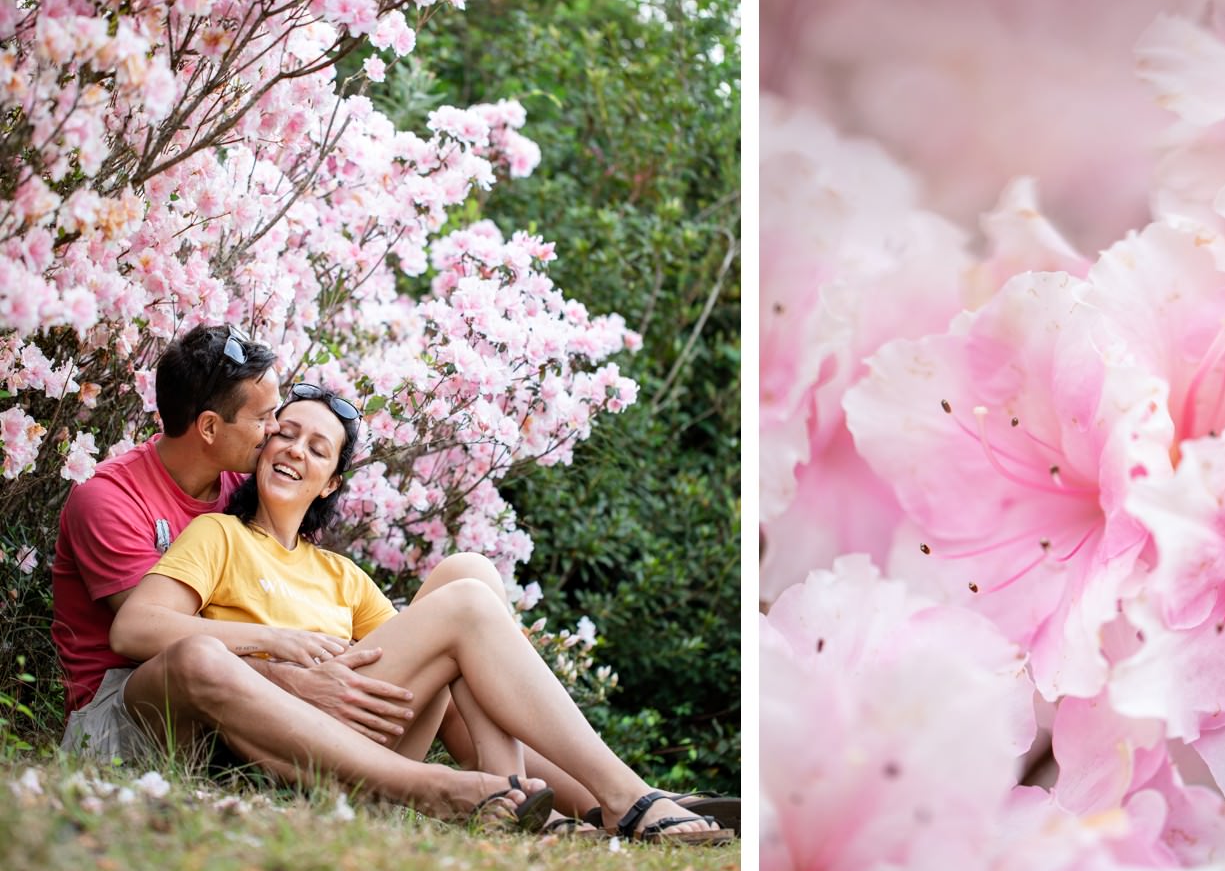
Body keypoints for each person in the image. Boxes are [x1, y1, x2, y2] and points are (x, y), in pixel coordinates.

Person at [110, 384, 730, 842]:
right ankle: (620, 796)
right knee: (465, 600)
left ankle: (532, 801)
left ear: (329, 483)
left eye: (318, 448)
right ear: (263, 445)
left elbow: (463, 687)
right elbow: (137, 629)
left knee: (472, 576)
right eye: (286, 433)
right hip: (266, 739)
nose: (295, 450)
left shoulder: (340, 575)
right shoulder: (218, 536)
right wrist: (278, 644)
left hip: (357, 730)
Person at [52, 325, 576, 825]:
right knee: (200, 656)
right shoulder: (112, 499)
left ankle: (561, 798)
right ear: (211, 428)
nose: (277, 436)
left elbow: (425, 669)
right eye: (267, 422)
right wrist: (286, 660)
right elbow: (147, 640)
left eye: (304, 441)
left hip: (236, 716)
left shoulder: (249, 481)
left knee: (467, 587)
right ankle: (425, 786)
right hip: (127, 709)